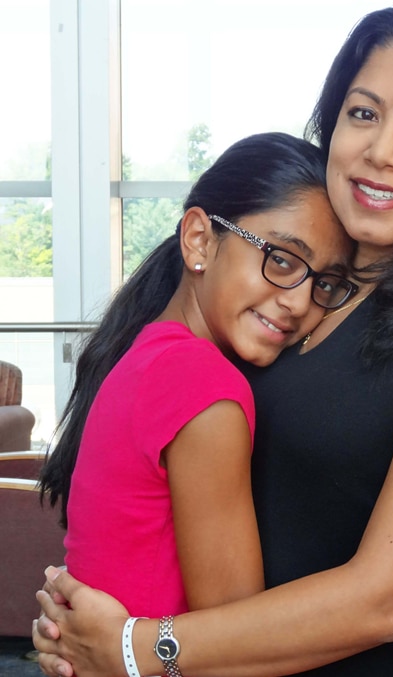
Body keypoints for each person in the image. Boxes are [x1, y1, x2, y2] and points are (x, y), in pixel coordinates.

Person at [34, 3, 393, 676]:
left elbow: (385, 596)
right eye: (363, 113)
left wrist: (137, 648)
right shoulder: (288, 293)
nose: (382, 150)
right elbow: (261, 475)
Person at [38, 131, 357, 618]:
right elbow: (237, 645)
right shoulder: (203, 386)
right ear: (199, 240)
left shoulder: (148, 354)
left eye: (325, 282)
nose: (298, 300)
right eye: (282, 259)